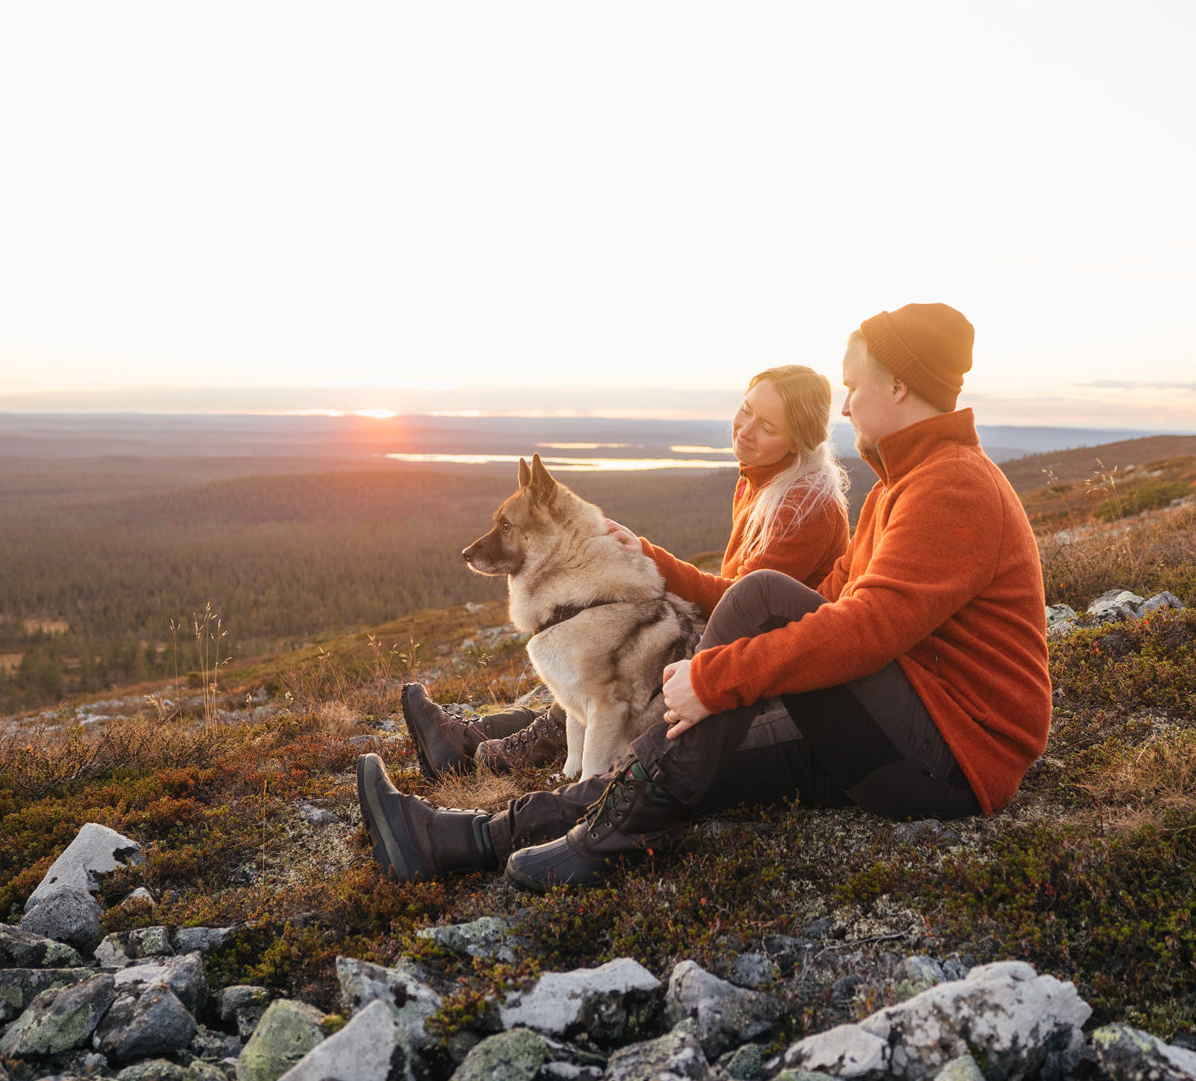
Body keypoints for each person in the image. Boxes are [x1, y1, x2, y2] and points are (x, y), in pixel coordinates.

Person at [357, 302, 1052, 891]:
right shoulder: (906, 482)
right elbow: (845, 603)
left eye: (854, 386)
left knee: (758, 599)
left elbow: (866, 628)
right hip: (897, 723)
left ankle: (604, 835)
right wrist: (713, 685)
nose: (846, 403)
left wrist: (713, 679)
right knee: (673, 764)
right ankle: (462, 838)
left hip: (949, 760)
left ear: (899, 386)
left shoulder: (952, 485)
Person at [399, 364, 852, 780]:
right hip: (742, 645)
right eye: (747, 410)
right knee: (596, 665)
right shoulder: (765, 480)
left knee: (608, 672)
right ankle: (472, 739)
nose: (746, 430)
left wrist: (650, 562)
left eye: (767, 426)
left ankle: (481, 749)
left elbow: (746, 602)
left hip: (768, 665)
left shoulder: (802, 506)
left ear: (800, 442)